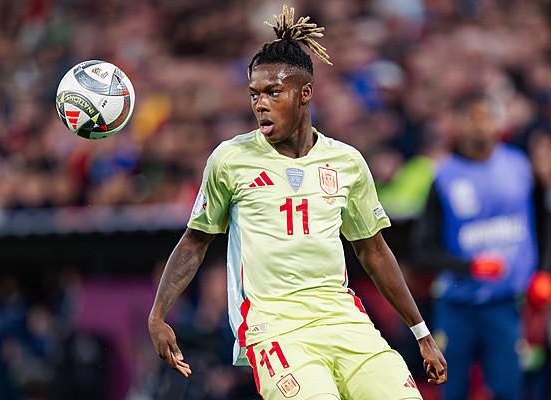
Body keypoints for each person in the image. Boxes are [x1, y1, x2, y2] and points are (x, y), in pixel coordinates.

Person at [149, 5, 446, 399]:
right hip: (276, 329)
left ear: (305, 94)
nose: (260, 104)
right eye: (254, 94)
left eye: (273, 93)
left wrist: (421, 332)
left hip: (345, 322)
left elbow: (373, 251)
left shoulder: (346, 162)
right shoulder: (230, 160)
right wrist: (158, 315)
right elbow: (194, 242)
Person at [414, 92, 551, 399]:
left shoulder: (520, 168)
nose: (479, 126)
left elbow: (544, 224)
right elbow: (422, 249)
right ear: (457, 124)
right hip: (457, 305)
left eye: (486, 117)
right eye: (471, 118)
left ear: (498, 122)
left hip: (509, 303)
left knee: (510, 388)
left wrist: (544, 272)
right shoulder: (443, 177)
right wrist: (469, 267)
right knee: (452, 388)